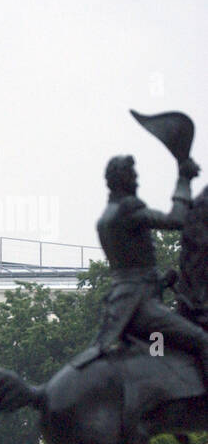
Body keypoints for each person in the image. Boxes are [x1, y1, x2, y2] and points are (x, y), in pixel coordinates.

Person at [80, 153, 204, 369]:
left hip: (122, 305)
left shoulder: (105, 218)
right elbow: (176, 220)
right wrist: (183, 179)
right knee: (202, 341)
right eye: (133, 176)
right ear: (124, 179)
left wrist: (161, 280)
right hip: (142, 309)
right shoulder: (128, 211)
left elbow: (131, 270)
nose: (137, 180)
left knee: (160, 354)